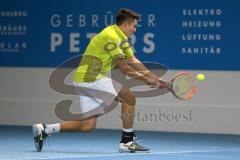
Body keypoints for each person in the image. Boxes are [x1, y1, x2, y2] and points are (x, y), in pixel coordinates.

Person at [32, 8, 165, 153]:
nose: (134, 30)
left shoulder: (121, 38)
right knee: (128, 97)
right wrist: (146, 80)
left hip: (84, 79)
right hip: (91, 78)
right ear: (126, 24)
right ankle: (127, 142)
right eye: (134, 26)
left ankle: (44, 129)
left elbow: (133, 60)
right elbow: (125, 68)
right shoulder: (112, 36)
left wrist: (155, 78)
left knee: (87, 125)